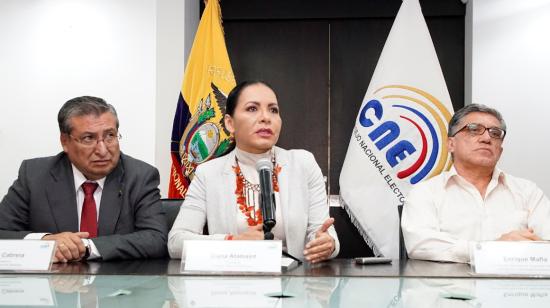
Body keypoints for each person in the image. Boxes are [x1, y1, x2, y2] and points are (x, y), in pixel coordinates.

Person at [168, 81, 339, 263]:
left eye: (273, 110)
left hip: (294, 284)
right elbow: (176, 243)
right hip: (232, 286)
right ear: (230, 123)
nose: (266, 117)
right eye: (252, 109)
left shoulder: (303, 163)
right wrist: (233, 242)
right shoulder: (208, 173)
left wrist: (328, 244)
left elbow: (324, 233)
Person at [0, 96, 167, 262]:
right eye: (89, 138)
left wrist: (86, 247)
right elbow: (3, 232)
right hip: (52, 285)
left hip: (116, 283)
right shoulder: (35, 175)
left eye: (110, 135)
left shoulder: (140, 176)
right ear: (65, 142)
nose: (102, 150)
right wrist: (45, 242)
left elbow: (156, 238)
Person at [402, 104, 550, 263]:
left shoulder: (528, 192)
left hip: (513, 286)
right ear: (451, 144)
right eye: (474, 129)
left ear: (500, 150)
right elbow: (421, 245)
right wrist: (492, 249)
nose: (487, 138)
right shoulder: (425, 193)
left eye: (495, 133)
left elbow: (546, 243)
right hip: (447, 287)